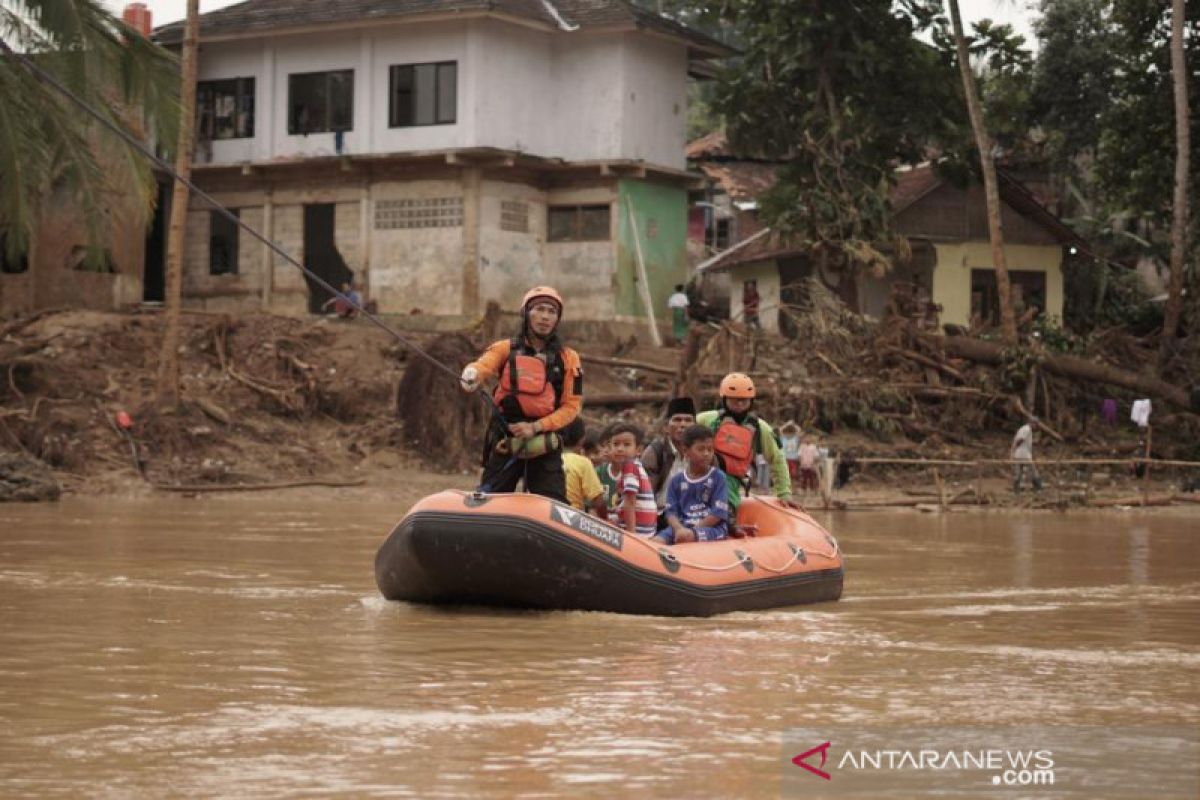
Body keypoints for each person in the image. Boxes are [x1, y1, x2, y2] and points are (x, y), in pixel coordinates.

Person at [460, 286, 583, 502]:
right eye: (539, 309)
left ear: (557, 319)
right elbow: (484, 366)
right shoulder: (504, 348)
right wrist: (472, 374)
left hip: (545, 440)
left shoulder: (569, 359)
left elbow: (572, 406)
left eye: (552, 312)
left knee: (552, 502)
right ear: (526, 313)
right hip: (507, 437)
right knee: (488, 499)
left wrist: (535, 427)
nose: (545, 317)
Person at [696, 372, 799, 515]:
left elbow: (777, 459)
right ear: (724, 399)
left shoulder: (761, 428)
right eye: (734, 400)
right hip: (699, 477)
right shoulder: (706, 420)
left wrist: (784, 493)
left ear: (751, 401)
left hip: (730, 484)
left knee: (724, 500)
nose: (739, 405)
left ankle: (725, 517)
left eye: (743, 401)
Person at [655, 425, 730, 545]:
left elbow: (717, 513)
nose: (706, 454)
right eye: (701, 449)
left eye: (710, 449)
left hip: (712, 529)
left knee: (687, 537)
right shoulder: (676, 480)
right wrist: (679, 529)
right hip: (683, 526)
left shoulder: (718, 477)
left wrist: (692, 530)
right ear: (685, 451)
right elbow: (671, 512)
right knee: (656, 542)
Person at [641, 396, 696, 524]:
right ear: (666, 426)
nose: (682, 425)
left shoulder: (703, 453)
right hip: (660, 517)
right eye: (677, 420)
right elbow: (645, 495)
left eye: (688, 420)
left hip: (694, 516)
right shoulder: (655, 453)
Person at [603, 422, 657, 537]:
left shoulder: (630, 467)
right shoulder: (636, 466)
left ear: (638, 450)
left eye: (626, 444)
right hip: (647, 530)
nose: (620, 449)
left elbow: (630, 502)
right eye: (616, 444)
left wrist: (631, 534)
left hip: (638, 532)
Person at [561, 419, 607, 518]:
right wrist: (606, 520)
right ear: (582, 439)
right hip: (571, 517)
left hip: (546, 514)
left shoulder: (548, 459)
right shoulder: (583, 462)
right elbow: (598, 501)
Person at [1011, 416, 1043, 493]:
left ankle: (1016, 491)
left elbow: (1021, 440)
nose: (1036, 426)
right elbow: (1020, 440)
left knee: (1018, 473)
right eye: (1036, 424)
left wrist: (1013, 450)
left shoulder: (1023, 428)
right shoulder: (1027, 429)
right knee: (1033, 471)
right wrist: (1014, 448)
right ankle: (1038, 489)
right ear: (1032, 423)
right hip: (1024, 454)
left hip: (1019, 454)